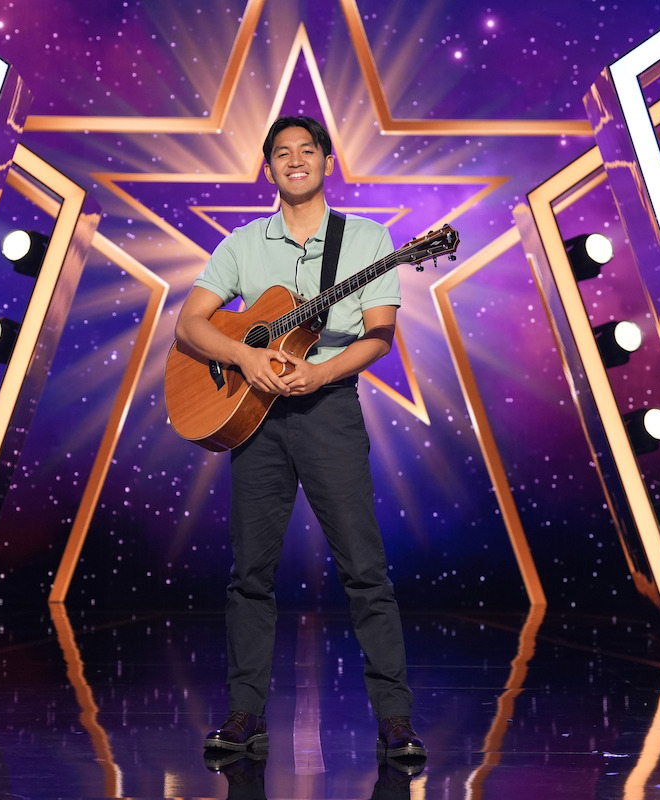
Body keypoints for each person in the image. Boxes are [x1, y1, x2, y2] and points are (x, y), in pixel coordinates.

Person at [174, 114, 425, 764]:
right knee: (250, 573)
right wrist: (243, 354)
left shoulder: (369, 240)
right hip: (253, 415)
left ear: (325, 160)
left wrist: (319, 372)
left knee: (365, 570)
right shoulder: (242, 244)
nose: (294, 161)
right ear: (268, 167)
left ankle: (395, 720)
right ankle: (243, 714)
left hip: (328, 410)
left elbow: (378, 334)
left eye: (305, 151)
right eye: (281, 153)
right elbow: (190, 325)